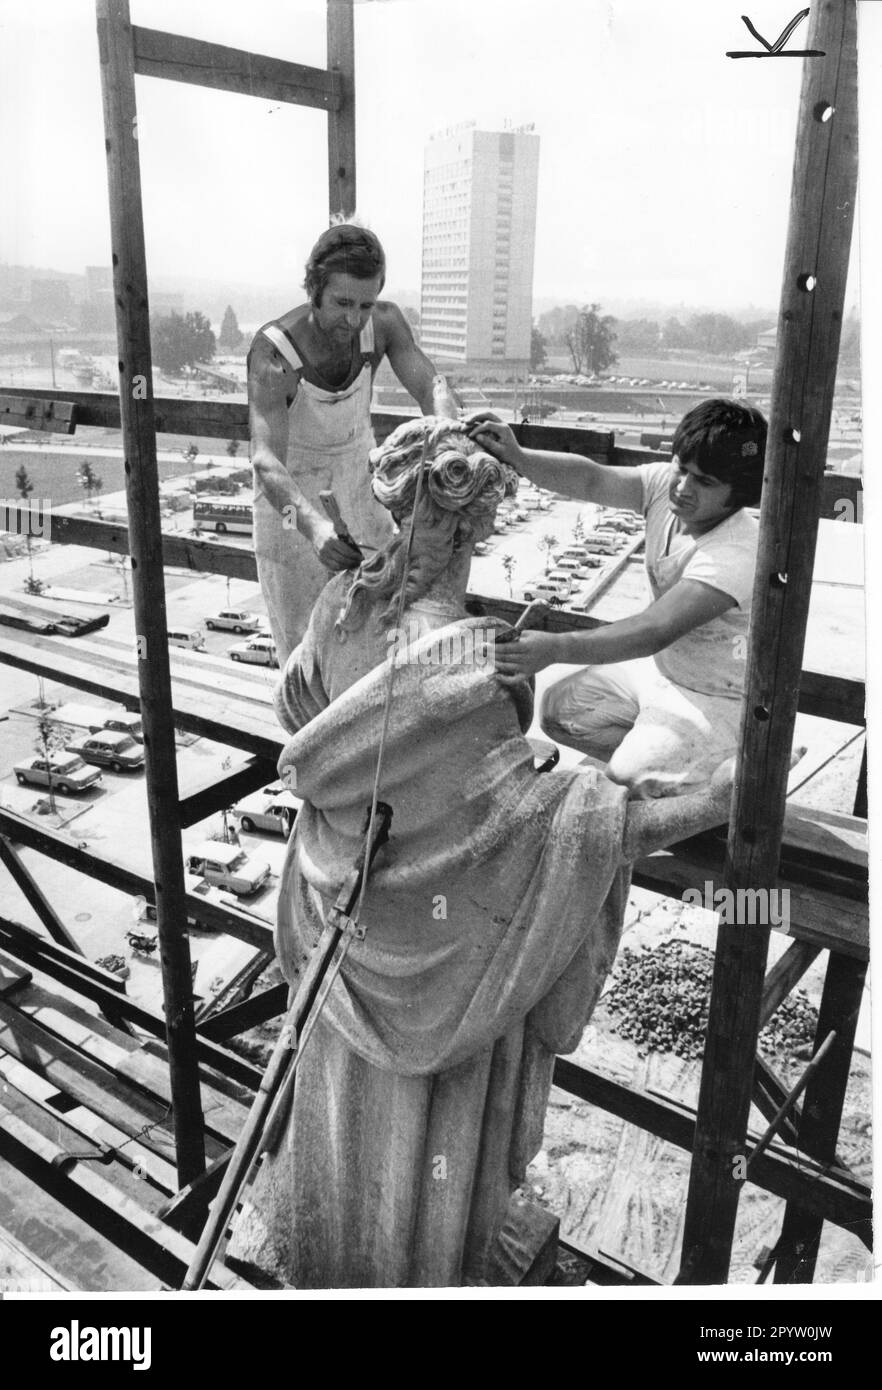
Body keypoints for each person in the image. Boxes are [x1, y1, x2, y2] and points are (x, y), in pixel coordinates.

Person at [227, 417, 737, 1289]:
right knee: (432, 1134)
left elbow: (304, 724)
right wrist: (712, 801)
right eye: (485, 523)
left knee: (341, 1106)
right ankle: (420, 1256)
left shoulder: (334, 602)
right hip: (437, 950)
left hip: (336, 908)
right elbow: (521, 829)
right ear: (471, 524)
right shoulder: (464, 653)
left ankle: (327, 1224)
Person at [468, 399, 768, 798]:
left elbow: (654, 630)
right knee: (559, 712)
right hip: (665, 673)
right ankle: (666, 760)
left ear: (739, 494)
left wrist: (557, 646)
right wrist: (519, 456)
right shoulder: (665, 486)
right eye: (682, 467)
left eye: (705, 482)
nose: (683, 487)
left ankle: (722, 770)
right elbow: (592, 480)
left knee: (627, 776)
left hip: (718, 696)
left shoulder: (736, 551)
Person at [248, 222, 459, 665]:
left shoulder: (382, 325)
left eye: (365, 303)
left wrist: (448, 435)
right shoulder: (274, 353)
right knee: (306, 652)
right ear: (313, 289)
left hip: (360, 487)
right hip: (290, 503)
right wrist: (313, 527)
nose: (353, 318)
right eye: (342, 303)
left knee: (379, 627)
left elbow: (431, 385)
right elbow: (265, 461)